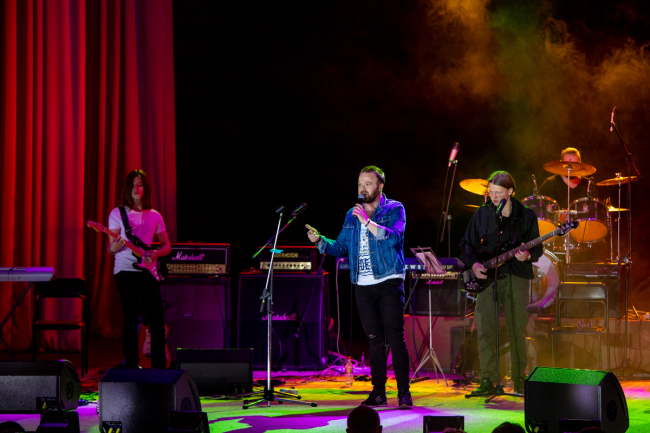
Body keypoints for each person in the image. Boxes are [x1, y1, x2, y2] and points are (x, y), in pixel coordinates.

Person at [306, 165, 411, 408]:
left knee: (395, 338)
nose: (362, 189)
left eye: (368, 184)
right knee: (374, 339)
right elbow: (341, 246)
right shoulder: (351, 214)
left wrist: (367, 221)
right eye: (360, 184)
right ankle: (378, 393)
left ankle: (404, 393)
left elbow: (394, 238)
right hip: (362, 284)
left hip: (388, 279)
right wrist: (320, 240)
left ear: (380, 185)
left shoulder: (394, 208)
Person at [459, 171, 543, 395]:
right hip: (488, 278)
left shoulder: (526, 216)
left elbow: (537, 248)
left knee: (517, 328)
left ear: (510, 191)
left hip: (516, 275)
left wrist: (527, 255)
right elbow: (466, 244)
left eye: (498, 193)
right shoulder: (483, 214)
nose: (494, 197)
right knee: (485, 328)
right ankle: (487, 379)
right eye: (491, 193)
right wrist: (474, 264)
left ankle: (519, 377)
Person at [107, 169, 171, 369]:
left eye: (140, 184)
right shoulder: (117, 213)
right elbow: (111, 248)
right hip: (124, 270)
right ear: (128, 189)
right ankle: (131, 366)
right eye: (133, 185)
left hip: (148, 270)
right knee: (131, 316)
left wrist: (156, 254)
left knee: (157, 318)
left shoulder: (155, 215)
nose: (136, 188)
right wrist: (115, 246)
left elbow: (167, 245)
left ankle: (160, 368)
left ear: (145, 188)